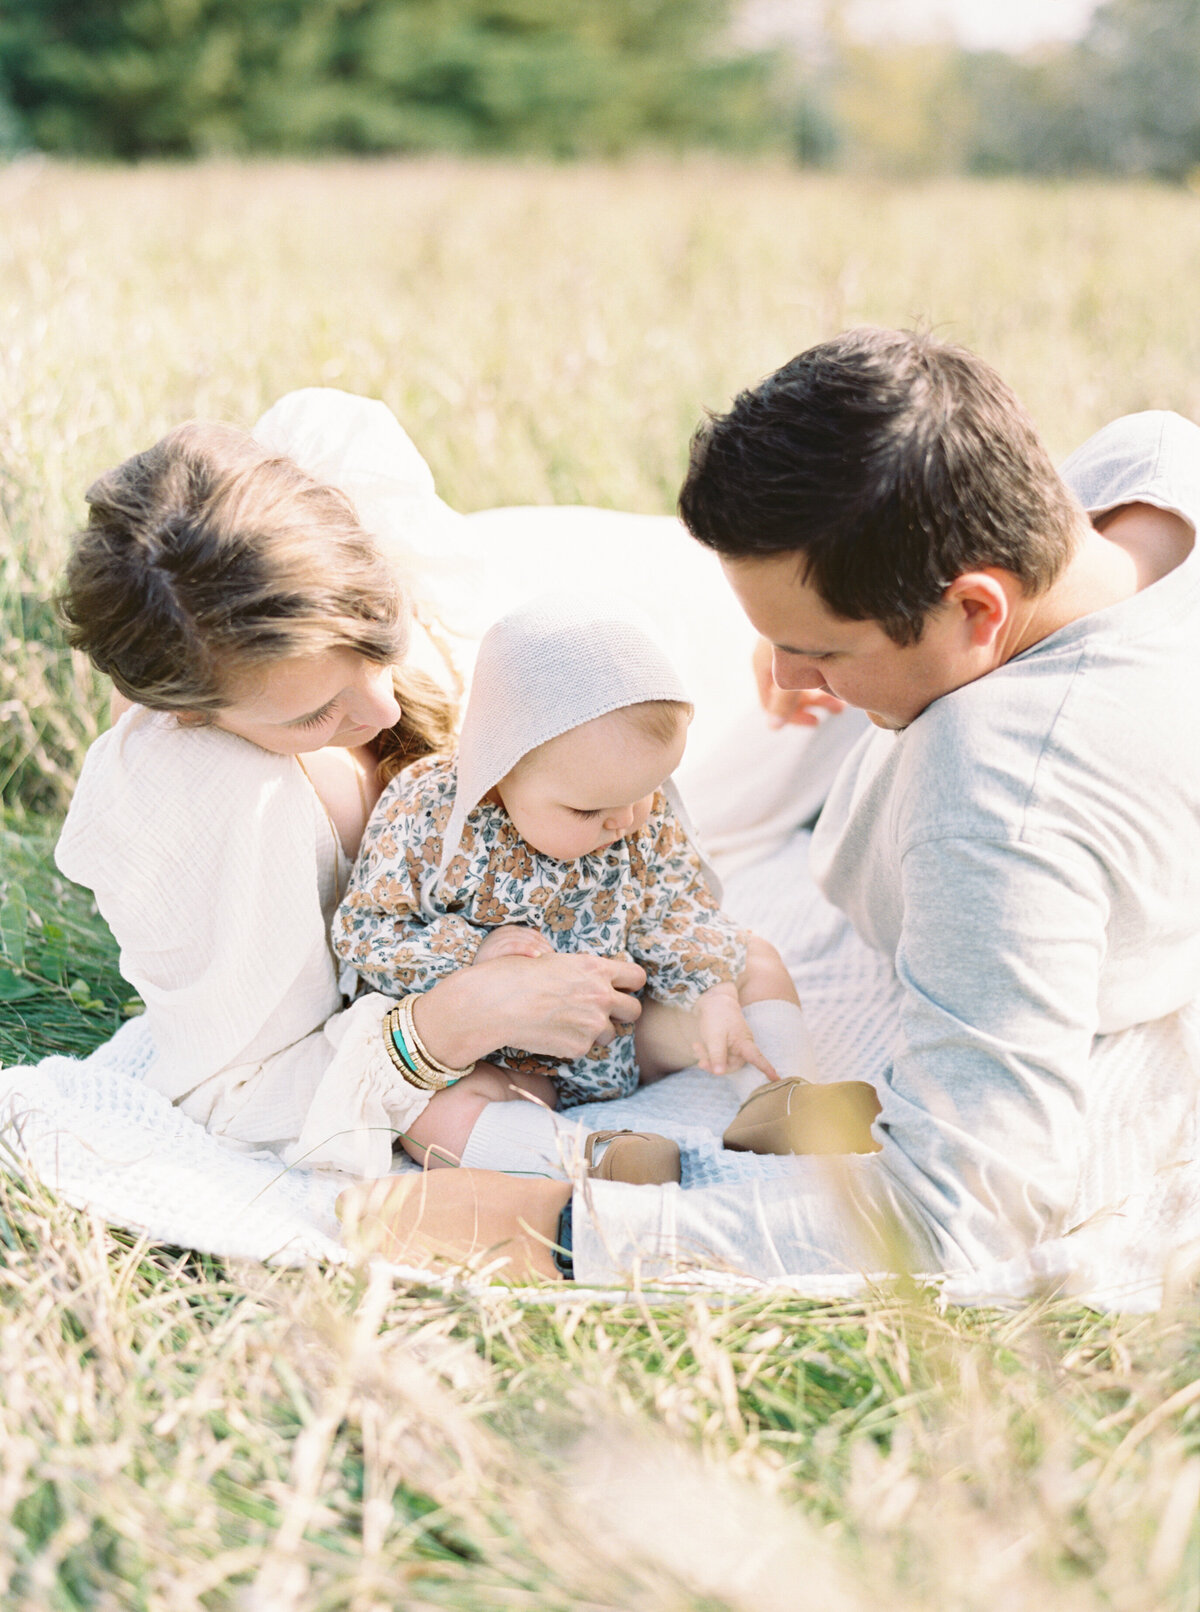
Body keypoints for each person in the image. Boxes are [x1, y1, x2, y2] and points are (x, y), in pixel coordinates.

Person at [340, 327, 1200, 1286]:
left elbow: (963, 1211)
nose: (794, 674)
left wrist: (564, 1230)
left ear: (977, 610)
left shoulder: (1001, 804)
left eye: (822, 650)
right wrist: (818, 641)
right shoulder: (1154, 470)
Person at [332, 592, 861, 1178]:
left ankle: (786, 1091)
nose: (627, 820)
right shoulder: (428, 813)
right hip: (514, 1059)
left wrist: (710, 990)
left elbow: (677, 904)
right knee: (427, 1113)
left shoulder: (635, 806)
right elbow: (366, 933)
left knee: (752, 958)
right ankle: (590, 1157)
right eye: (589, 813)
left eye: (649, 791)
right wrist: (472, 955)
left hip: (631, 1031)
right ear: (495, 773)